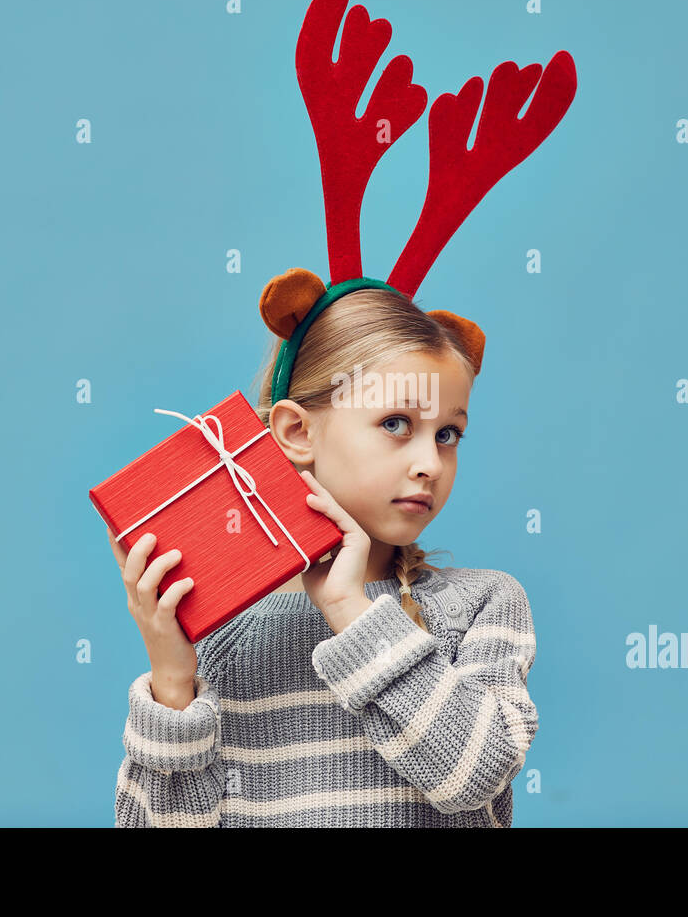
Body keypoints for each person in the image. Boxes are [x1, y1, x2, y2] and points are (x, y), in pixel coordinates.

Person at [110, 286, 538, 826]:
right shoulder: (221, 631)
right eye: (396, 424)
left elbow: (474, 775)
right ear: (296, 432)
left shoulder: (481, 604)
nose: (430, 462)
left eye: (448, 433)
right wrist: (172, 680)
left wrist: (348, 609)